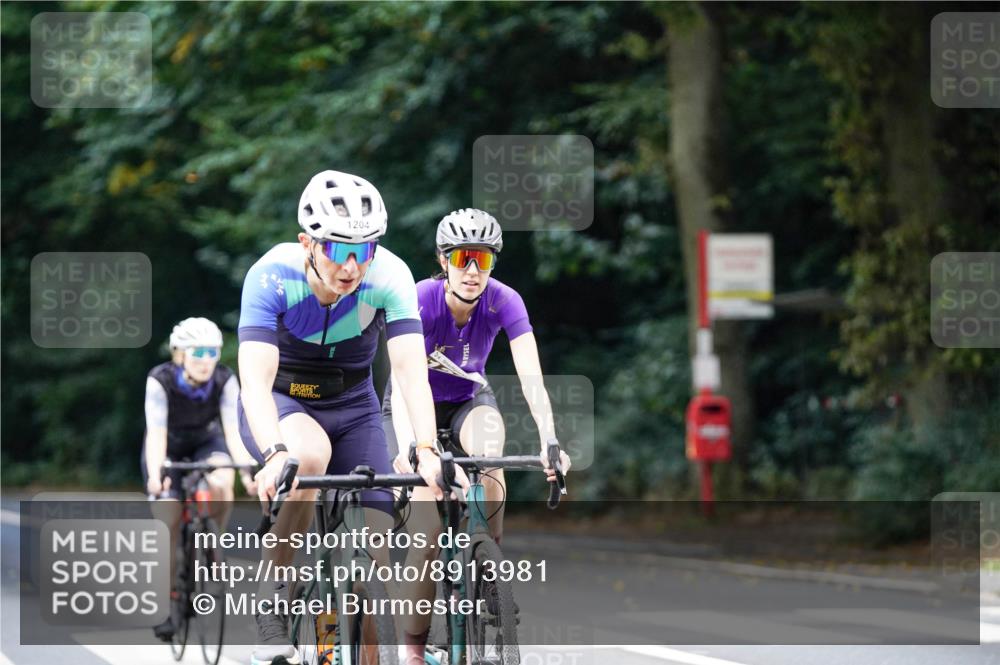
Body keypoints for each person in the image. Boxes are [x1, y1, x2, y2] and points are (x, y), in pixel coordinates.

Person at [238, 170, 467, 665]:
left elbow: (409, 373)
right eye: (337, 250)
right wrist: (275, 453)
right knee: (308, 457)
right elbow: (254, 380)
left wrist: (426, 449)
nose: (350, 266)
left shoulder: (389, 276)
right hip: (285, 402)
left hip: (354, 407)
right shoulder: (271, 275)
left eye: (362, 251)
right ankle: (274, 600)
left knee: (372, 574)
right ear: (307, 243)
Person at [384, 208, 571, 664]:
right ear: (443, 260)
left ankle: (489, 559)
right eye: (463, 258)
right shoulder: (419, 299)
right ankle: (413, 646)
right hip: (413, 406)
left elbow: (531, 377)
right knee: (428, 530)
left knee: (491, 449)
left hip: (467, 401)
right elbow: (402, 378)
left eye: (482, 260)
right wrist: (413, 449)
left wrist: (551, 440)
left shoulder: (505, 300)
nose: (472, 270)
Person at [142, 316, 257, 642]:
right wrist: (156, 474)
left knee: (222, 479)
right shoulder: (160, 379)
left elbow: (233, 431)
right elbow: (156, 432)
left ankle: (213, 538)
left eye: (212, 352)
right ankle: (167, 605)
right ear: (180, 354)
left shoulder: (224, 378)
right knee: (168, 523)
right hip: (170, 445)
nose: (206, 360)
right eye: (198, 352)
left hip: (208, 442)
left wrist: (246, 469)